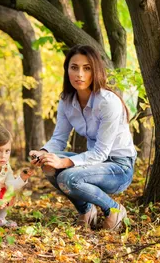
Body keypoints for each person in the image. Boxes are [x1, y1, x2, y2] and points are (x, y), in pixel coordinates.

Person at [30, 45, 136, 231]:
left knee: (68, 177)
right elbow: (59, 139)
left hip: (119, 167)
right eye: (74, 67)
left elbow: (101, 152)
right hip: (95, 163)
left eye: (86, 68)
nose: (79, 74)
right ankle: (87, 211)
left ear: (95, 71)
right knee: (48, 165)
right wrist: (43, 152)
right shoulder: (66, 101)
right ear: (67, 70)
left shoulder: (107, 102)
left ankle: (114, 210)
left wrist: (63, 162)